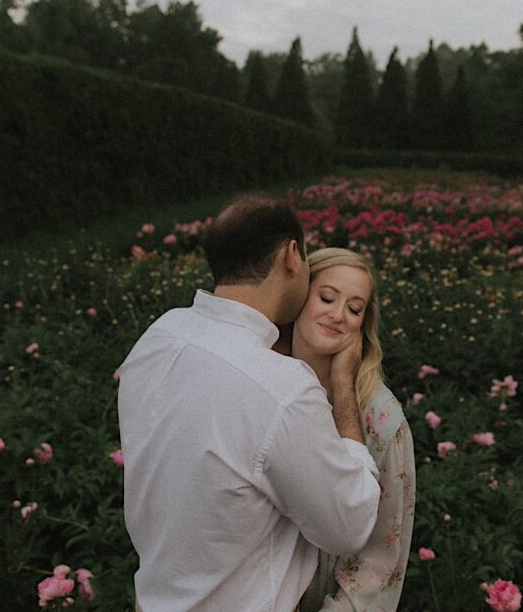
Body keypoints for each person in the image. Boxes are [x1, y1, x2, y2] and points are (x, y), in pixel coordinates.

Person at [117, 195, 381, 612]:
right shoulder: (282, 389)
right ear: (293, 257)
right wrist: (343, 387)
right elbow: (348, 525)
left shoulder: (160, 337)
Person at [287, 249, 416, 612]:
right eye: (326, 297)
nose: (338, 315)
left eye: (354, 308)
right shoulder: (259, 378)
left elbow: (380, 558)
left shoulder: (381, 418)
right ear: (298, 296)